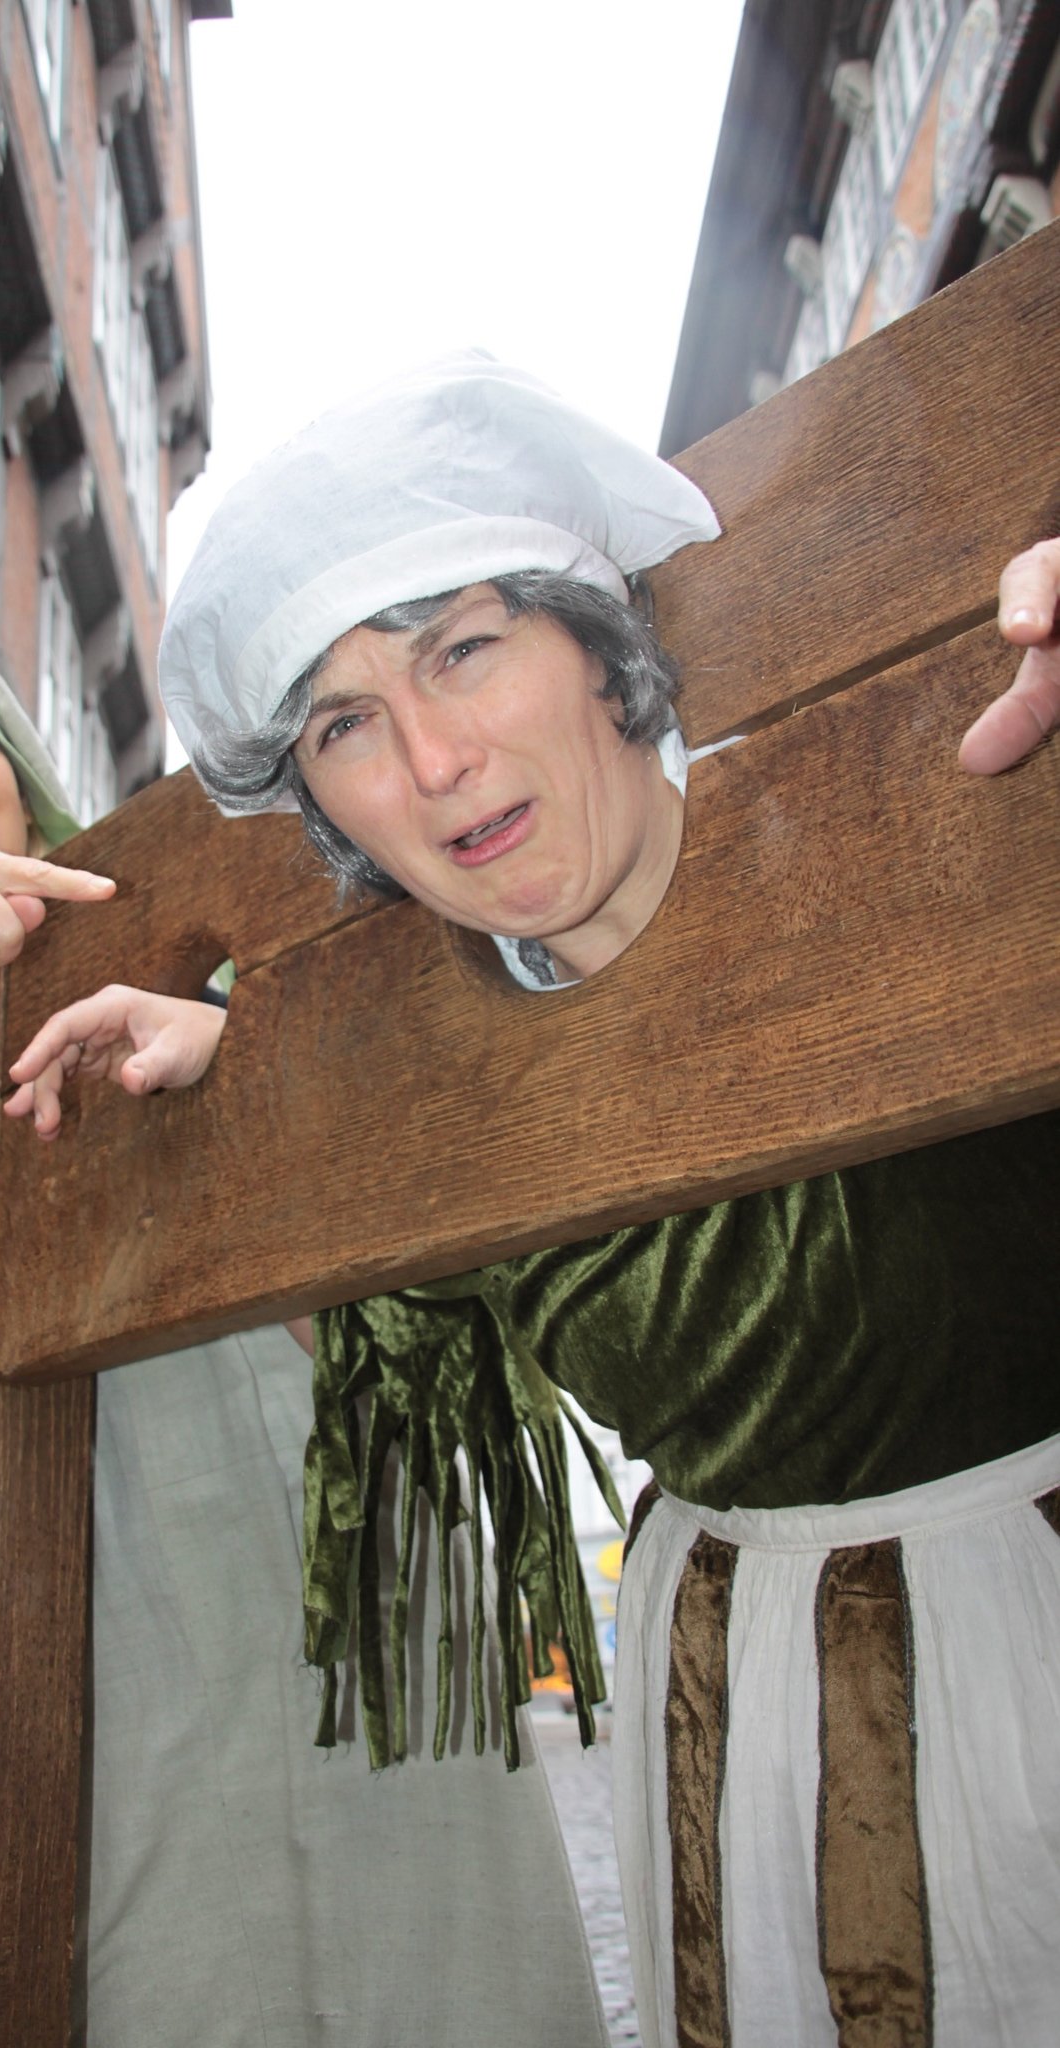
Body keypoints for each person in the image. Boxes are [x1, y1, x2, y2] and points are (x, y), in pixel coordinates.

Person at [94, 354, 1051, 2048]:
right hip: (734, 1700)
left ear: (602, 660)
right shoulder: (396, 1099)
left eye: (460, 647)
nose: (437, 757)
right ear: (318, 807)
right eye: (342, 724)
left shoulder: (954, 817)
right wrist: (233, 1064)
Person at [0, 643, 613, 2048]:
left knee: (417, 1858)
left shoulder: (183, 918)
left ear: (14, 766)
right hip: (73, 1519)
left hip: (304, 1446)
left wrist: (218, 1034)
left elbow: (383, 1106)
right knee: (164, 1899)